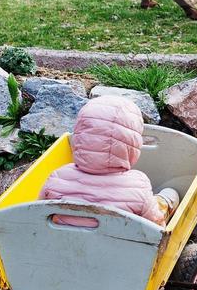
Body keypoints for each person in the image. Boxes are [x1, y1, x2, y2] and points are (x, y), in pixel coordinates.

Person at [41, 95, 179, 227]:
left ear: (78, 138)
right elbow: (156, 227)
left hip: (64, 244)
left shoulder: (57, 177)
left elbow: (35, 215)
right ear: (132, 145)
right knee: (169, 195)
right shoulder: (138, 185)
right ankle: (166, 199)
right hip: (121, 248)